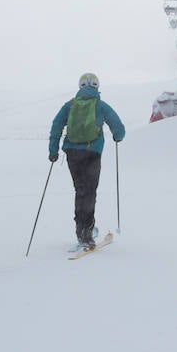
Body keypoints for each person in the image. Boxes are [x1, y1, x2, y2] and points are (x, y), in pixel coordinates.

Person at [48, 73, 125, 248]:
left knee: (80, 189)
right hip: (92, 153)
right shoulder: (100, 105)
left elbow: (56, 125)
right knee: (89, 191)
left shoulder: (69, 106)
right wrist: (118, 137)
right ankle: (87, 232)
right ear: (97, 87)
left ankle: (80, 228)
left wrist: (53, 151)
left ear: (80, 87)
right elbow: (118, 127)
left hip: (72, 153)